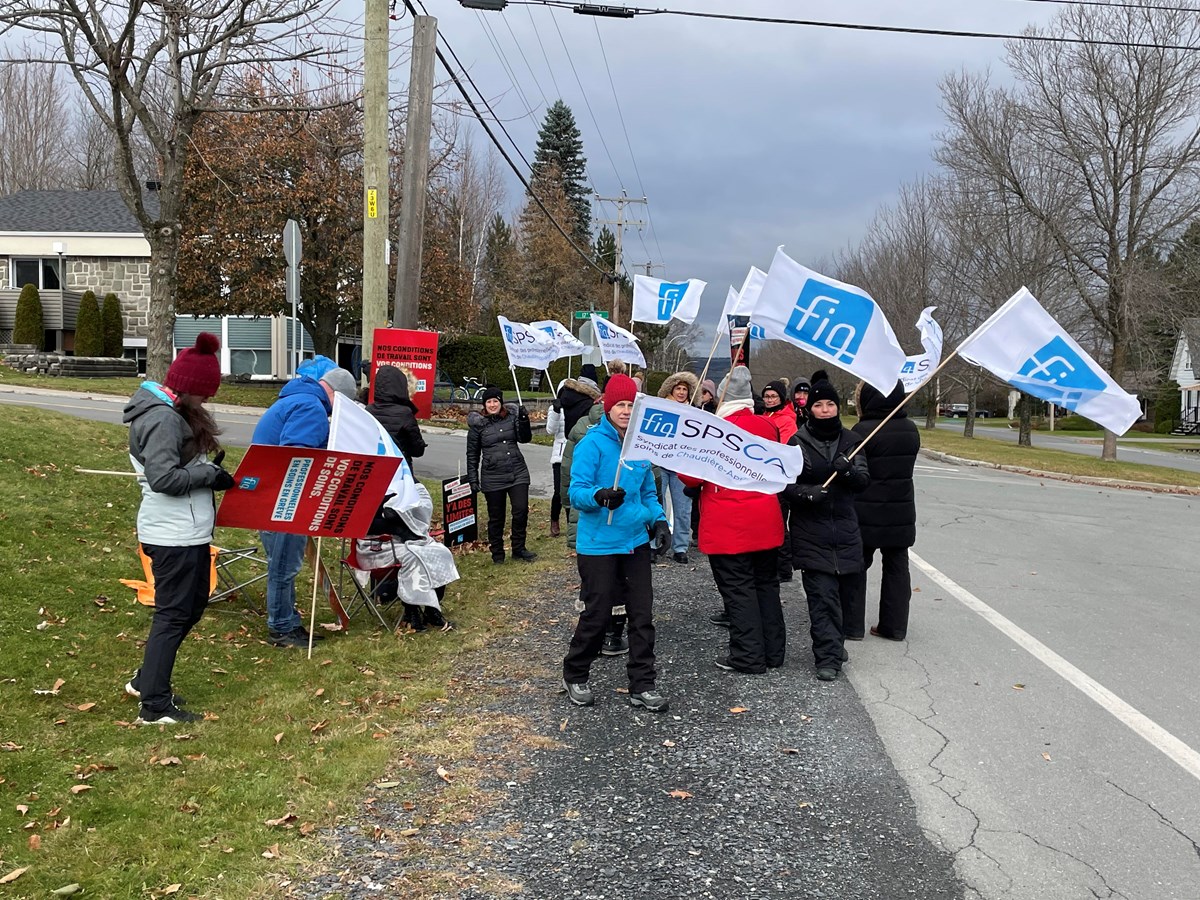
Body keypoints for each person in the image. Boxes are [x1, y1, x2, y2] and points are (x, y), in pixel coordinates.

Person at [123, 333, 237, 724]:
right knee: (173, 615)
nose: (206, 401)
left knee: (191, 607)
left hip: (188, 532)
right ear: (188, 387)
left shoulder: (174, 413)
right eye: (204, 394)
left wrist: (209, 474)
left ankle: (146, 680)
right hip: (172, 534)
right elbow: (163, 479)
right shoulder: (162, 419)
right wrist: (209, 475)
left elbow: (181, 469)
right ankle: (154, 706)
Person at [563, 374, 671, 711]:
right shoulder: (591, 444)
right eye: (620, 404)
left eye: (630, 405)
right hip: (599, 544)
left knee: (642, 615)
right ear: (608, 407)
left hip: (635, 541)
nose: (625, 411)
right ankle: (575, 673)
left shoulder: (640, 445)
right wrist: (599, 496)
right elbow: (575, 491)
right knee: (597, 614)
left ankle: (643, 683)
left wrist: (660, 521)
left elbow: (648, 492)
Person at [680, 366, 786, 674]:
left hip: (728, 523)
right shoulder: (768, 426)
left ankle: (748, 655)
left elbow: (691, 476)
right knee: (766, 586)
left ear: (723, 397)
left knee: (739, 590)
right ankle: (773, 652)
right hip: (765, 518)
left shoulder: (713, 429)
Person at [252, 356, 359, 648]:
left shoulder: (297, 399)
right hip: (283, 498)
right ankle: (281, 628)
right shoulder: (311, 407)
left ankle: (287, 621)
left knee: (282, 563)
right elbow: (297, 457)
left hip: (270, 494)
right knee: (284, 565)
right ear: (336, 395)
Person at [784, 372, 870, 682]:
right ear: (810, 409)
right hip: (811, 532)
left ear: (837, 407)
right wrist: (808, 493)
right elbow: (786, 486)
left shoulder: (852, 441)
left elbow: (863, 481)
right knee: (822, 599)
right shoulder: (797, 442)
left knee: (844, 598)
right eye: (818, 405)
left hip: (845, 530)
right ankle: (828, 657)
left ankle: (835, 643)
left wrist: (847, 472)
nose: (824, 410)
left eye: (830, 405)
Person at [846, 380, 920, 642]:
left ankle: (852, 625)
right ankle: (894, 626)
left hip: (866, 508)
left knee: (857, 566)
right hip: (901, 508)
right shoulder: (911, 429)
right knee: (897, 568)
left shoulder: (863, 430)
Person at [466, 387, 536, 564]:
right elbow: (472, 454)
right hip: (493, 476)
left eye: (495, 401)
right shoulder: (477, 426)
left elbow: (525, 438)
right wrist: (473, 479)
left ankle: (518, 548)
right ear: (484, 404)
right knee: (496, 517)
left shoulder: (511, 417)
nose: (492, 405)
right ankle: (497, 553)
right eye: (489, 402)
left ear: (501, 402)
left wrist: (524, 420)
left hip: (517, 471)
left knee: (520, 510)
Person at [547, 365, 601, 537]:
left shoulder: (583, 406)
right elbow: (550, 430)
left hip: (577, 452)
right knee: (559, 491)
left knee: (575, 490)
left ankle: (571, 523)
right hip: (560, 455)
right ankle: (554, 520)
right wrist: (556, 412)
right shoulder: (556, 407)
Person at [656, 371, 699, 563]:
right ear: (671, 390)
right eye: (678, 388)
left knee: (683, 509)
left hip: (681, 465)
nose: (681, 392)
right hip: (660, 462)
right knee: (658, 505)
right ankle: (655, 544)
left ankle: (680, 547)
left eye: (684, 389)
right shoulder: (660, 409)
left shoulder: (695, 414)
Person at [366, 365, 426, 469]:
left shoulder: (368, 410)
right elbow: (417, 450)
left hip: (373, 467)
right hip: (399, 468)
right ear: (401, 385)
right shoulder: (405, 413)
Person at [761, 379, 798, 445]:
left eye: (773, 396)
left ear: (781, 398)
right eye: (766, 396)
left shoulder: (788, 422)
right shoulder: (763, 415)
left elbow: (782, 446)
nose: (769, 400)